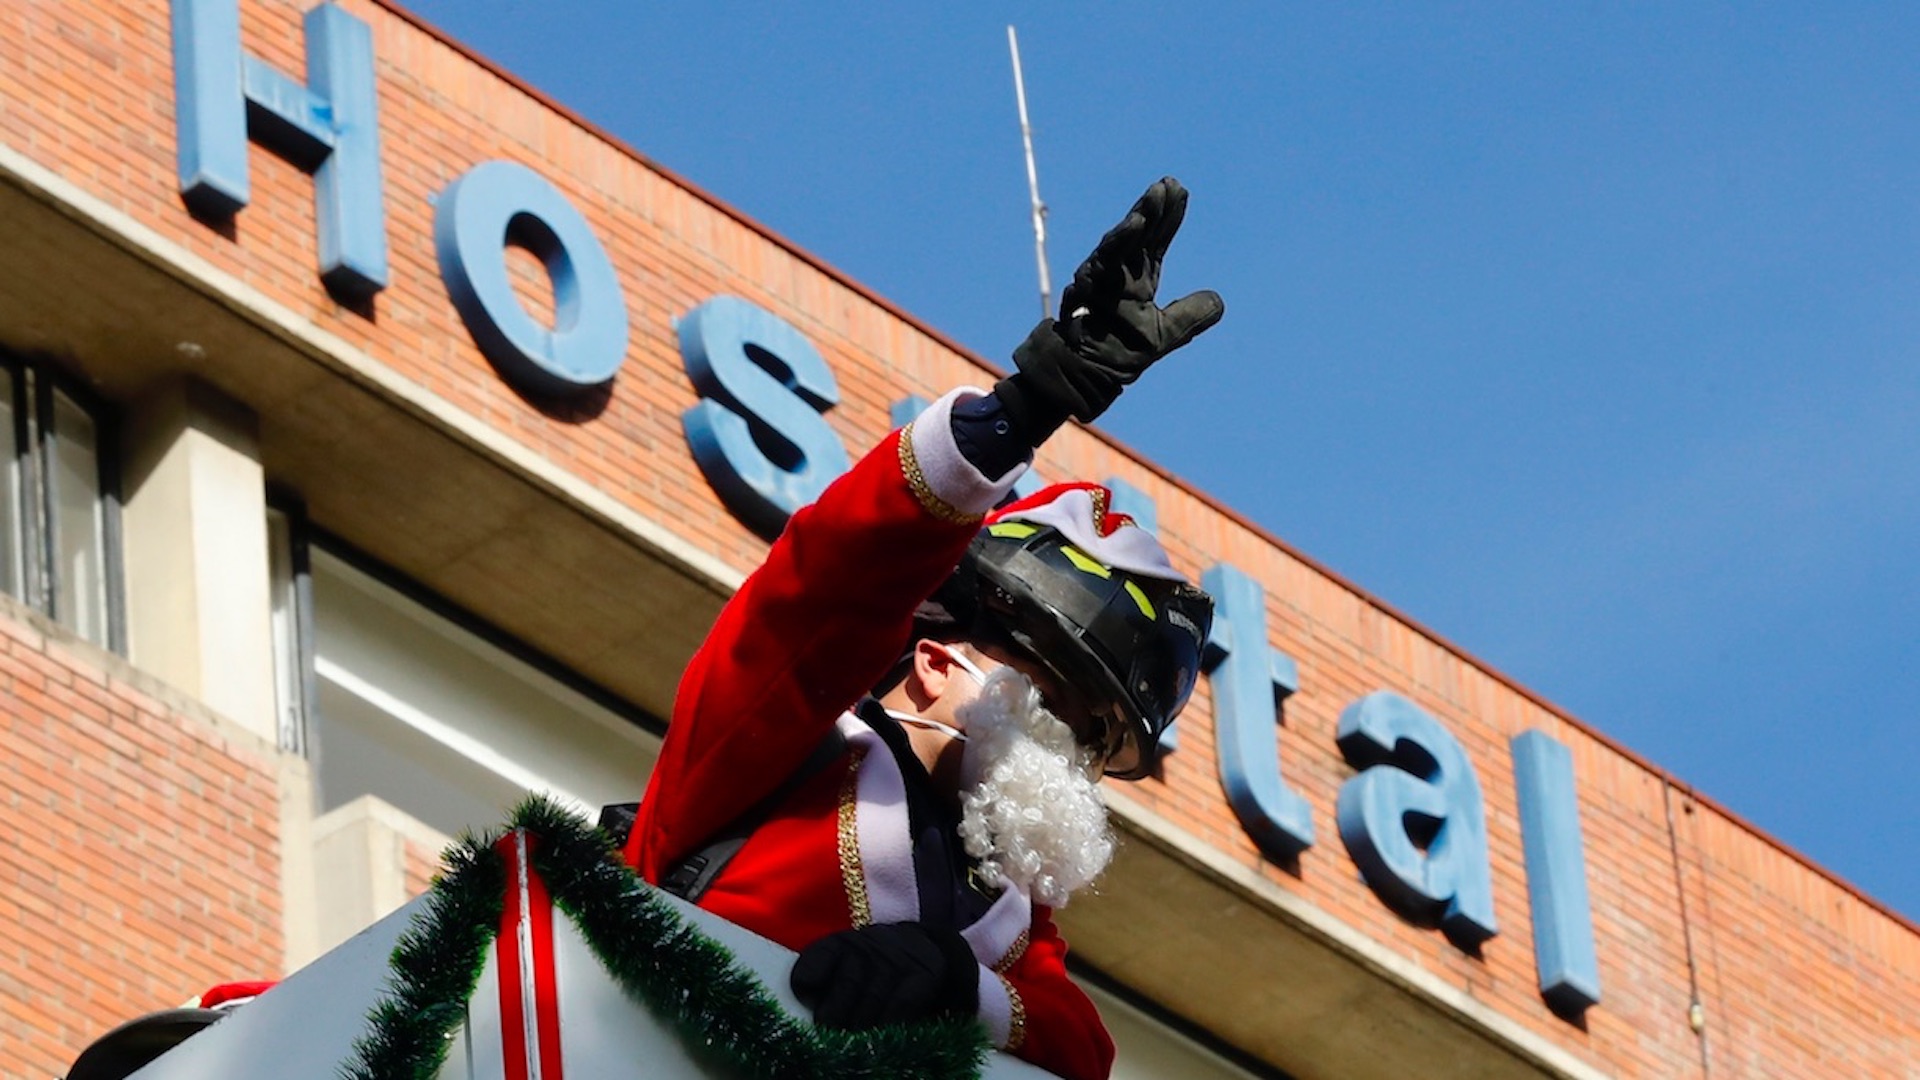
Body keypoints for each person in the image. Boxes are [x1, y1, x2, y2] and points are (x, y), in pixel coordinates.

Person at [621, 177, 1224, 1080]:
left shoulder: (1009, 915)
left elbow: (1081, 1050)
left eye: (1096, 734)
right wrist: (1024, 409)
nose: (1071, 745)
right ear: (937, 663)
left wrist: (961, 985)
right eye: (1056, 693)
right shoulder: (782, 752)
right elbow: (829, 582)